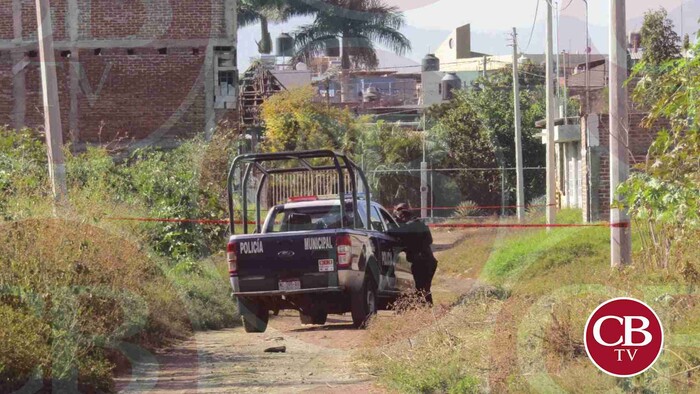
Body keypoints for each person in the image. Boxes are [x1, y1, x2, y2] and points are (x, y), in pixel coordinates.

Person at [389, 203, 438, 305]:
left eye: (400, 215)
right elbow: (429, 240)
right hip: (427, 261)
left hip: (422, 262)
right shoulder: (418, 224)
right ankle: (427, 311)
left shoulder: (411, 226)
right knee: (424, 289)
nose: (400, 218)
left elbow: (393, 232)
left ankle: (426, 311)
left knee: (422, 289)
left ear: (403, 216)